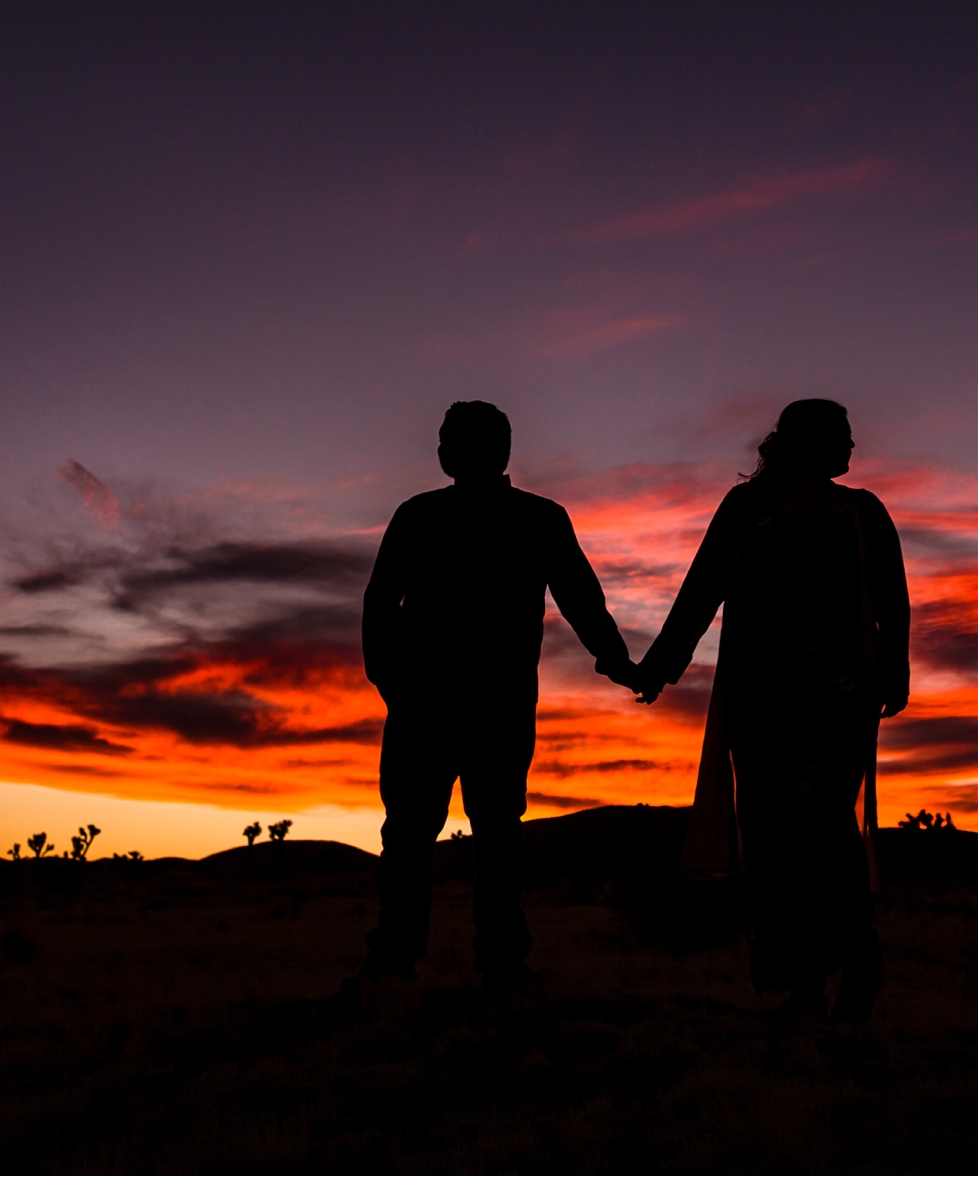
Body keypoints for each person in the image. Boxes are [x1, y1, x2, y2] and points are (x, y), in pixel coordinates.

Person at [634, 398, 910, 1023]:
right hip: (760, 696)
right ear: (806, 439)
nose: (850, 447)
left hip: (840, 697)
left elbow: (892, 598)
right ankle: (804, 985)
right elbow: (702, 588)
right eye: (840, 435)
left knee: (829, 829)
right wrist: (658, 668)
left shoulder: (863, 512)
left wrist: (895, 669)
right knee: (771, 838)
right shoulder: (745, 509)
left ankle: (859, 965)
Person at [359, 400, 643, 989]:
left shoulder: (539, 519)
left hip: (501, 704)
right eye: (451, 441)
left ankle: (502, 961)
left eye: (474, 440)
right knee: (409, 832)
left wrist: (620, 663)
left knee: (497, 833)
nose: (460, 451)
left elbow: (581, 599)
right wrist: (392, 682)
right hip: (422, 704)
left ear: (502, 449)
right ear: (442, 454)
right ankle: (395, 957)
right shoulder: (417, 516)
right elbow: (381, 603)